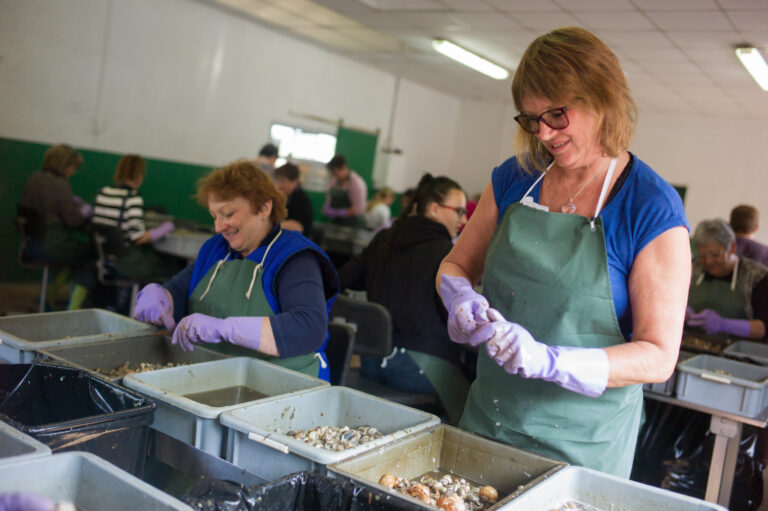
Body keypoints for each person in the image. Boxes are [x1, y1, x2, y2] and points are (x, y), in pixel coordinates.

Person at [436, 27, 691, 477]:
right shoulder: (515, 179)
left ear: (602, 98)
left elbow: (658, 355)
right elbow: (456, 264)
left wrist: (550, 362)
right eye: (531, 120)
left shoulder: (649, 206)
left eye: (557, 114)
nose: (545, 133)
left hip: (581, 448)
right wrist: (459, 296)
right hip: (489, 421)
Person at [133, 160, 339, 380]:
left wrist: (225, 329)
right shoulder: (216, 248)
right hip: (219, 378)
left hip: (285, 389)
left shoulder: (295, 258)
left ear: (263, 208)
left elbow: (308, 327)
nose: (219, 226)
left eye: (228, 214)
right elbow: (182, 290)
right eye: (215, 216)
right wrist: (162, 296)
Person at [340, 174, 469, 424]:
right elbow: (459, 321)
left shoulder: (384, 240)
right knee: (472, 408)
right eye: (460, 211)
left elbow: (343, 279)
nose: (464, 220)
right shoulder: (448, 254)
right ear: (433, 209)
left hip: (371, 361)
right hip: (418, 370)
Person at [19, 144, 94, 309]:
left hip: (30, 245)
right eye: (73, 167)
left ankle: (46, 300)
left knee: (70, 257)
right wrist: (85, 210)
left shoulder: (34, 178)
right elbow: (73, 221)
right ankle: (72, 309)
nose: (73, 172)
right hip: (50, 245)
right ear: (65, 164)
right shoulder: (60, 184)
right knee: (91, 255)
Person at [91, 154, 183, 283]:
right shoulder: (132, 198)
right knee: (172, 268)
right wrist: (163, 229)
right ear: (140, 176)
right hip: (126, 262)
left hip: (103, 257)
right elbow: (138, 237)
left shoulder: (103, 192)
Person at [685, 218, 768, 347]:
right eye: (702, 255)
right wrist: (682, 312)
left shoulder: (757, 277)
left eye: (715, 254)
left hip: (737, 354)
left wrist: (724, 324)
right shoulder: (692, 270)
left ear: (733, 248)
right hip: (692, 345)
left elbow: (763, 329)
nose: (708, 261)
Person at [321, 154, 367, 227]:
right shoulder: (334, 181)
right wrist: (327, 206)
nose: (334, 175)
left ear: (344, 167)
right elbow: (329, 197)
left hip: (353, 224)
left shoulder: (356, 184)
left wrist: (338, 213)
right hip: (337, 222)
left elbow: (358, 209)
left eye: (336, 172)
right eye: (333, 173)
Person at [274, 162, 313, 235]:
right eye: (278, 181)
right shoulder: (284, 196)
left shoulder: (301, 200)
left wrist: (272, 227)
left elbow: (298, 227)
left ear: (295, 181)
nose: (279, 185)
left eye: (283, 181)